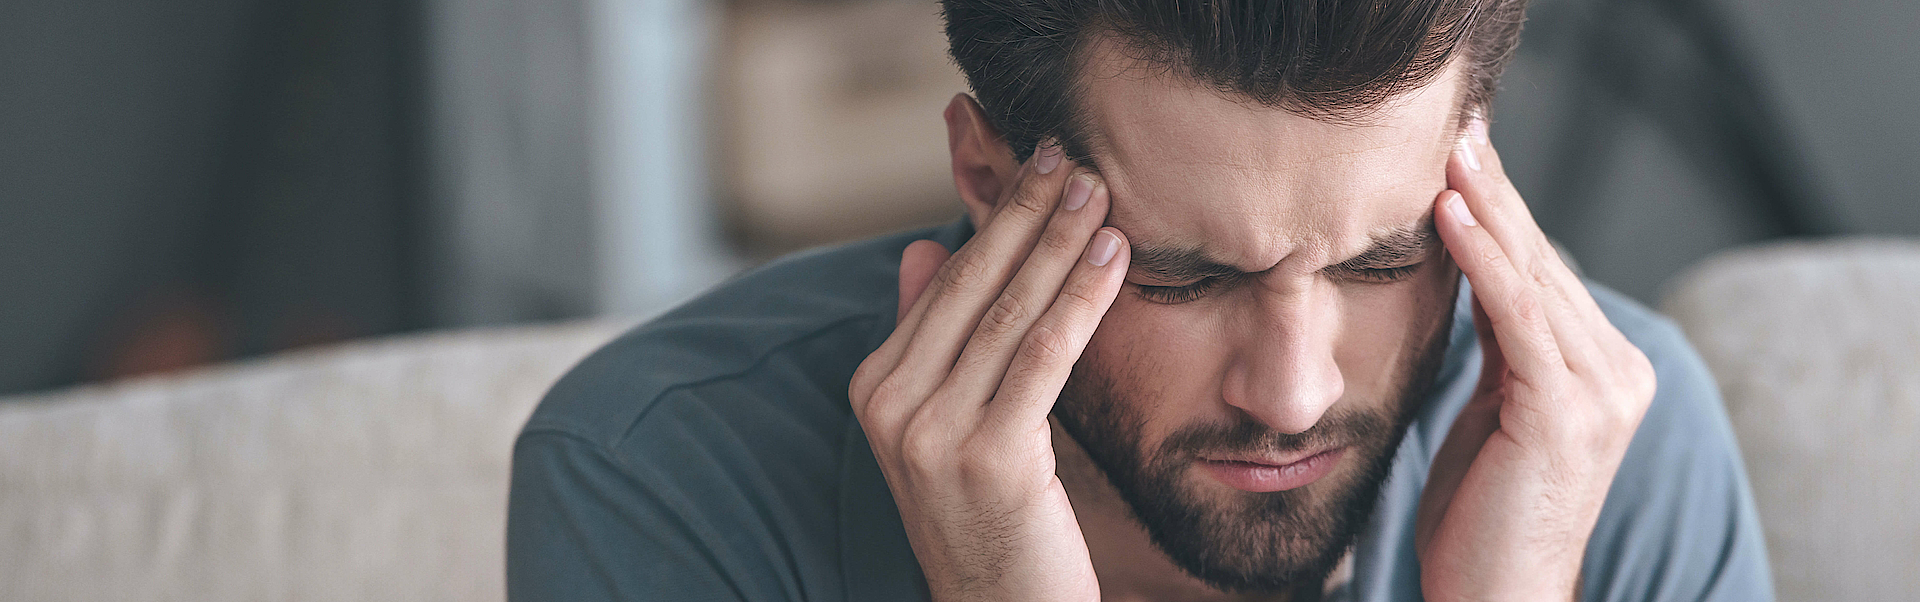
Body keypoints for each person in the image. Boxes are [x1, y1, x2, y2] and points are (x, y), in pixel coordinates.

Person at [506, 0, 1774, 599]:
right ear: (991, 179)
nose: (1295, 389)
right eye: (1185, 274)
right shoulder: (661, 476)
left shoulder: (1604, 448)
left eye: (1380, 262)